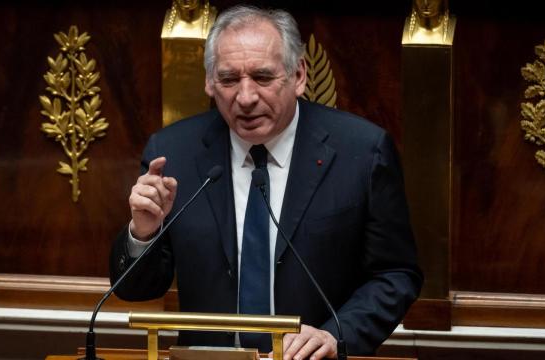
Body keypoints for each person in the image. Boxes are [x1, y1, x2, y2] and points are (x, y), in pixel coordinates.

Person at [111, 5, 422, 359]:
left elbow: (396, 273)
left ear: (299, 75)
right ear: (210, 83)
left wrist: (336, 335)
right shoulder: (173, 153)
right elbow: (136, 289)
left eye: (262, 77)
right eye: (228, 80)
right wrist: (144, 233)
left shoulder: (362, 152)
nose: (245, 98)